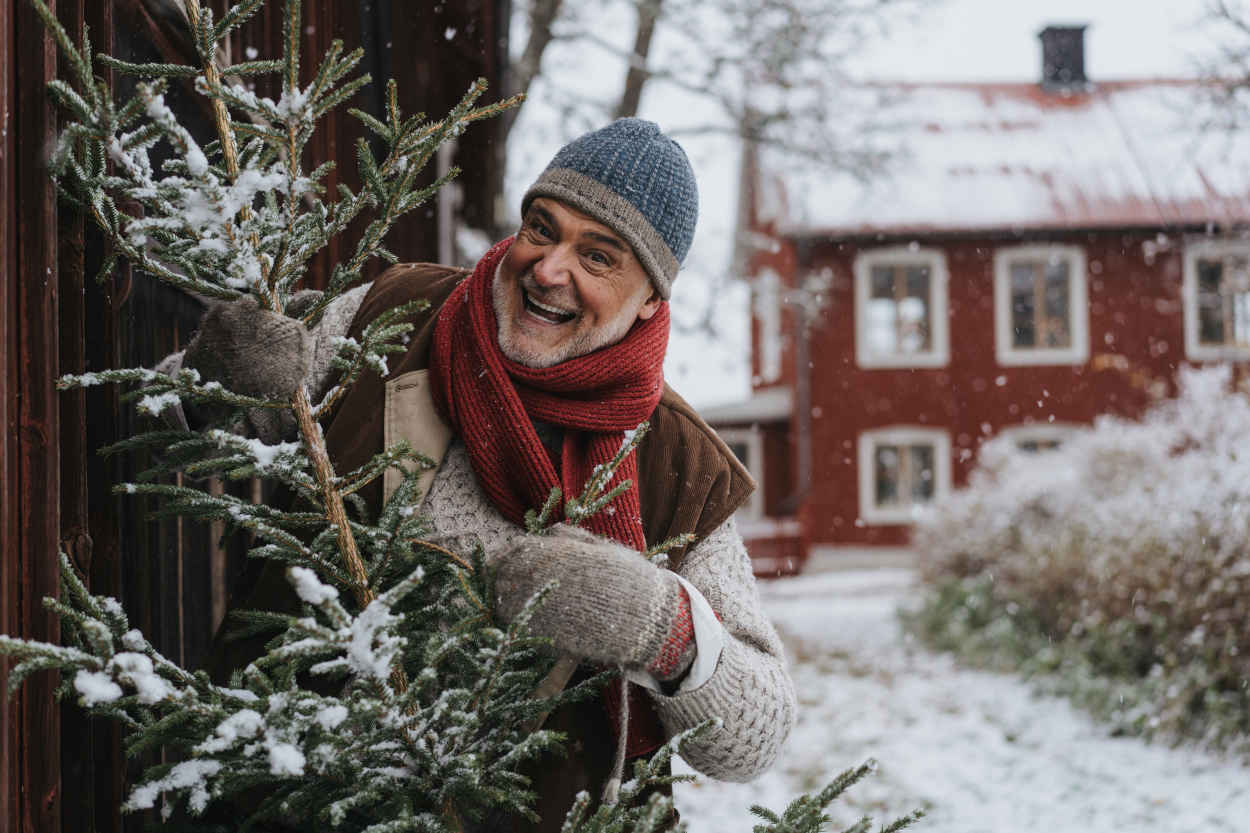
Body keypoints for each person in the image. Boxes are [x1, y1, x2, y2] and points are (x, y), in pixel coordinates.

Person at [162, 118, 795, 831]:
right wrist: (210, 383)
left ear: (651, 298)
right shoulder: (396, 316)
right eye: (541, 228)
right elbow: (175, 436)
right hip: (269, 798)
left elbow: (757, 734)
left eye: (598, 256)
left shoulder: (677, 465)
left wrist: (661, 625)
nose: (550, 269)